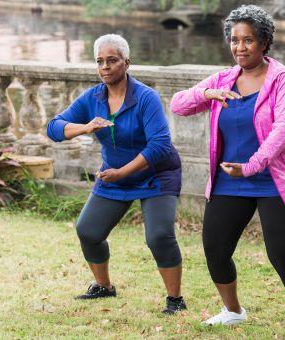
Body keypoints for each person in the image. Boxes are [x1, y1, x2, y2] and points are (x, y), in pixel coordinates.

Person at [170, 5, 285, 339]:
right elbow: (178, 104)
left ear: (265, 42)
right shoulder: (224, 79)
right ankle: (233, 311)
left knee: (282, 254)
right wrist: (206, 93)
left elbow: (283, 130)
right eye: (235, 40)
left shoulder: (282, 79)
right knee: (215, 248)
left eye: (248, 40)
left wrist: (252, 166)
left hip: (276, 181)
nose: (240, 47)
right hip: (229, 180)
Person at [46, 34, 187, 315]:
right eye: (100, 61)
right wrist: (84, 127)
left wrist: (122, 172)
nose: (105, 67)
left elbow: (159, 145)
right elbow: (53, 127)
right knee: (88, 231)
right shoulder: (93, 98)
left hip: (156, 175)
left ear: (126, 63)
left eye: (112, 60)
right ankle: (104, 287)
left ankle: (175, 299)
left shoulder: (146, 97)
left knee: (158, 236)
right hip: (114, 176)